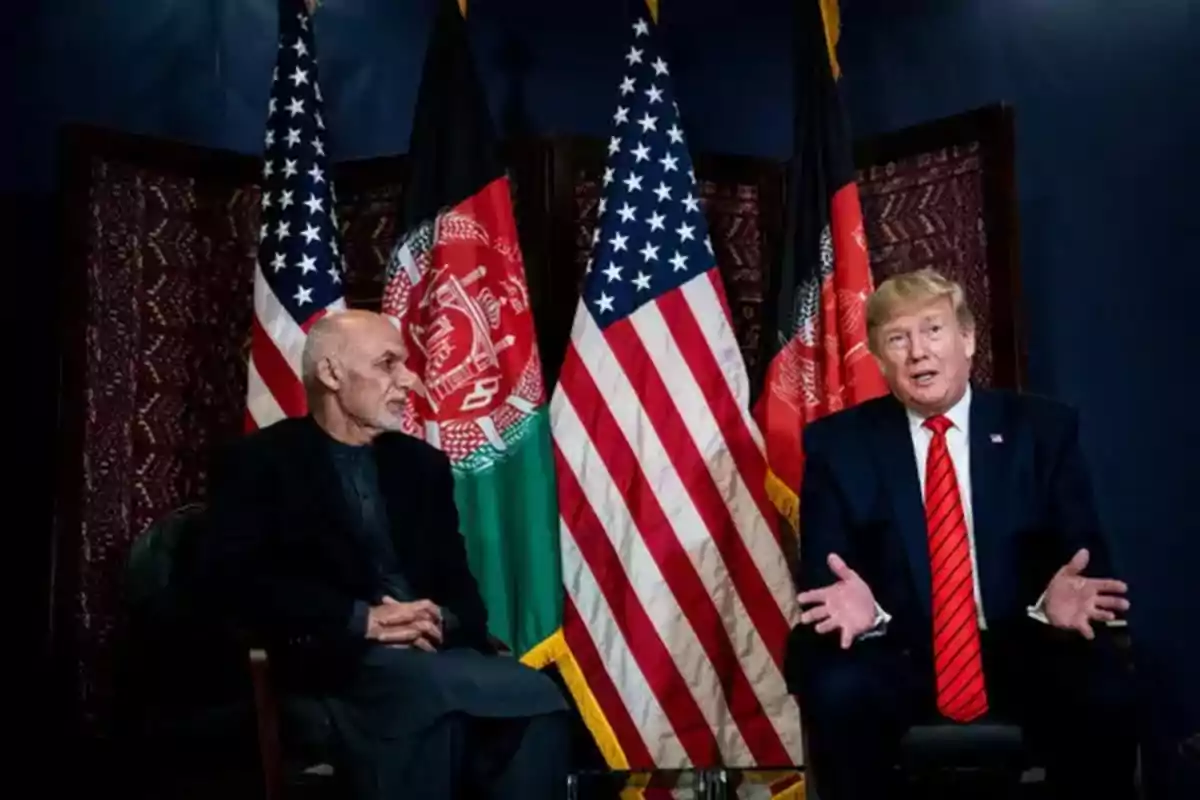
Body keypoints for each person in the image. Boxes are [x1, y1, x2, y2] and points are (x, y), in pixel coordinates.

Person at [784, 269, 1137, 799]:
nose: (917, 353)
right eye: (898, 339)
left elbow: (1084, 557)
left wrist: (1053, 601)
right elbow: (826, 574)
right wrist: (861, 609)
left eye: (933, 330)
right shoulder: (838, 445)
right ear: (879, 359)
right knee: (836, 686)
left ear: (967, 339)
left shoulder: (1042, 430)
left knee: (1105, 683)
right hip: (896, 651)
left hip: (1023, 643)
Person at [193, 309, 570, 800]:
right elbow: (233, 584)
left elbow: (464, 594)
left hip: (434, 655)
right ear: (331, 374)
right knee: (445, 698)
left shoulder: (420, 466)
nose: (409, 380)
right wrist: (362, 620)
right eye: (387, 364)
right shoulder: (258, 463)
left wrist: (432, 620)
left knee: (539, 698)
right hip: (334, 656)